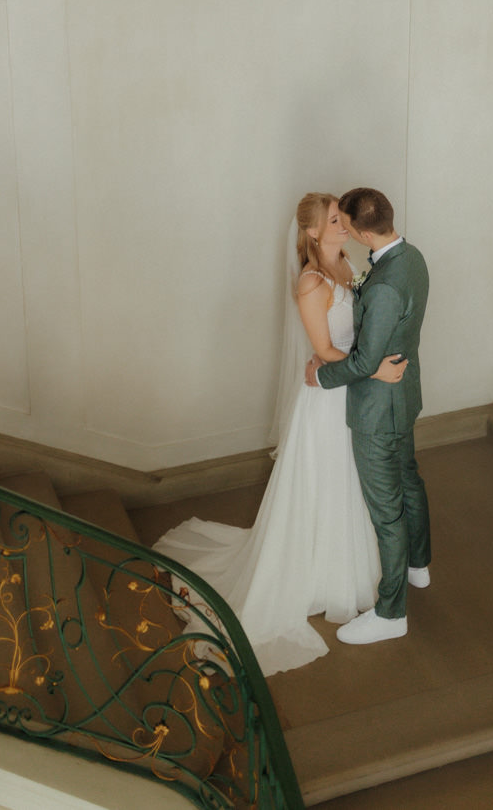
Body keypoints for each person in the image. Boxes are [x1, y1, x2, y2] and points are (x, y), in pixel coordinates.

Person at [153, 193, 405, 675]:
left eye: (342, 218)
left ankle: (342, 572)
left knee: (348, 483)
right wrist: (374, 372)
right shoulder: (311, 283)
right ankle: (311, 573)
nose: (343, 224)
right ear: (313, 232)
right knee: (323, 482)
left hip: (348, 392)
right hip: (328, 399)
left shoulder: (349, 264)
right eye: (334, 220)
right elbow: (325, 350)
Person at [307, 187, 431, 645]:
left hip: (379, 410)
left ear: (360, 233)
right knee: (409, 480)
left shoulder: (381, 287)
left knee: (386, 511)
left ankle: (391, 613)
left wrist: (318, 379)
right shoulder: (412, 257)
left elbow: (362, 364)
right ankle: (419, 566)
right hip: (406, 395)